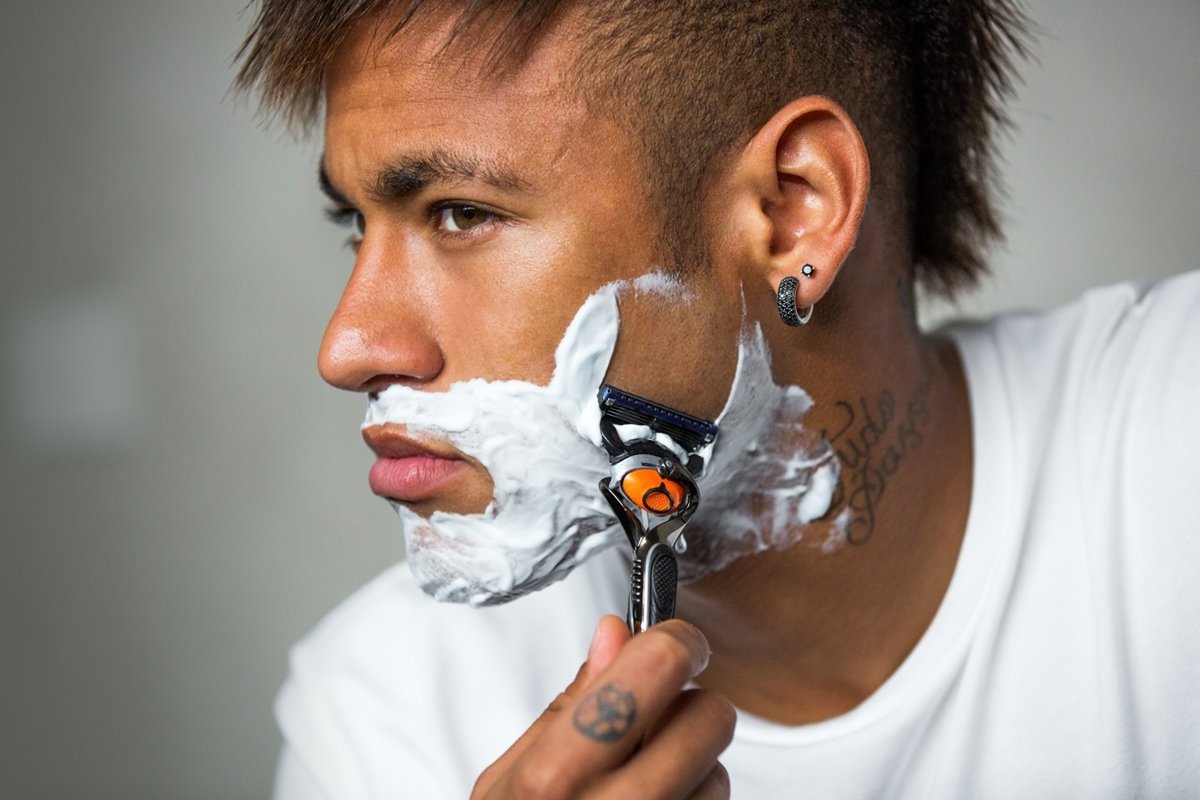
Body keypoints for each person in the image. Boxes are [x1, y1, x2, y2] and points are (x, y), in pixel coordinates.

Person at [236, 1, 1200, 797]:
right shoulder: (386, 710)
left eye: (461, 213)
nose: (346, 347)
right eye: (354, 223)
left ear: (795, 211)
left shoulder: (1171, 448)